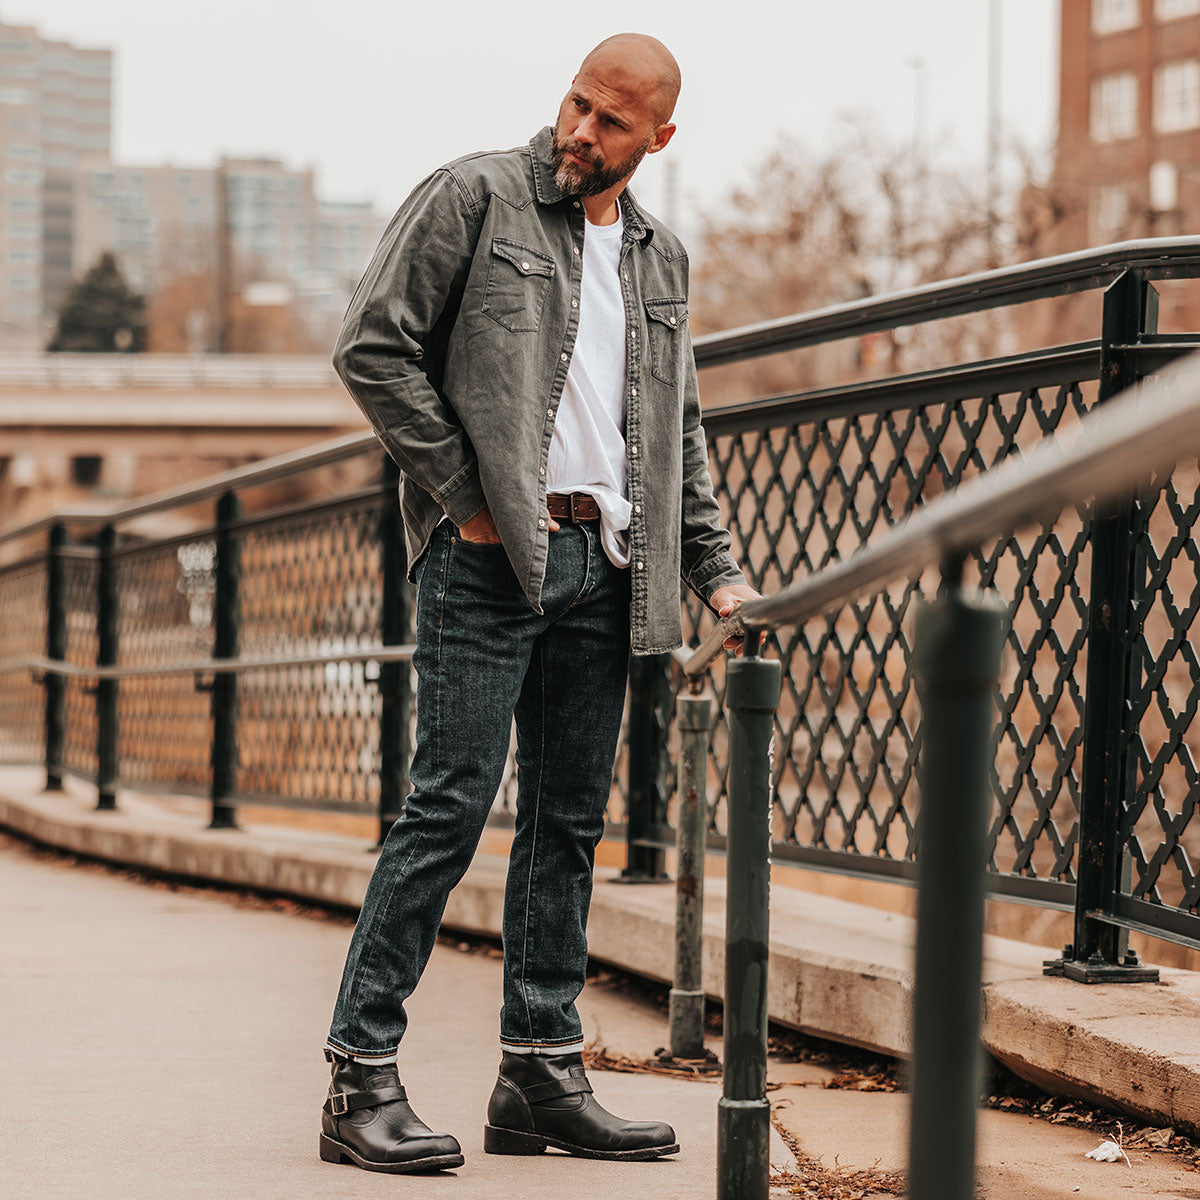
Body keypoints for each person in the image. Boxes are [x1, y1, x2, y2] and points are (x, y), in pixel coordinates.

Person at [319, 31, 759, 1174]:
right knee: (448, 811)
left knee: (566, 825)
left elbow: (676, 433)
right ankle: (358, 1078)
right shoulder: (472, 197)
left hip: (604, 571)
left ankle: (539, 1076)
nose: (580, 131)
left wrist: (716, 570)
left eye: (612, 122)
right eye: (576, 104)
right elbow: (374, 347)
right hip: (488, 558)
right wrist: (466, 498)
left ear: (658, 139)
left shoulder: (661, 260)